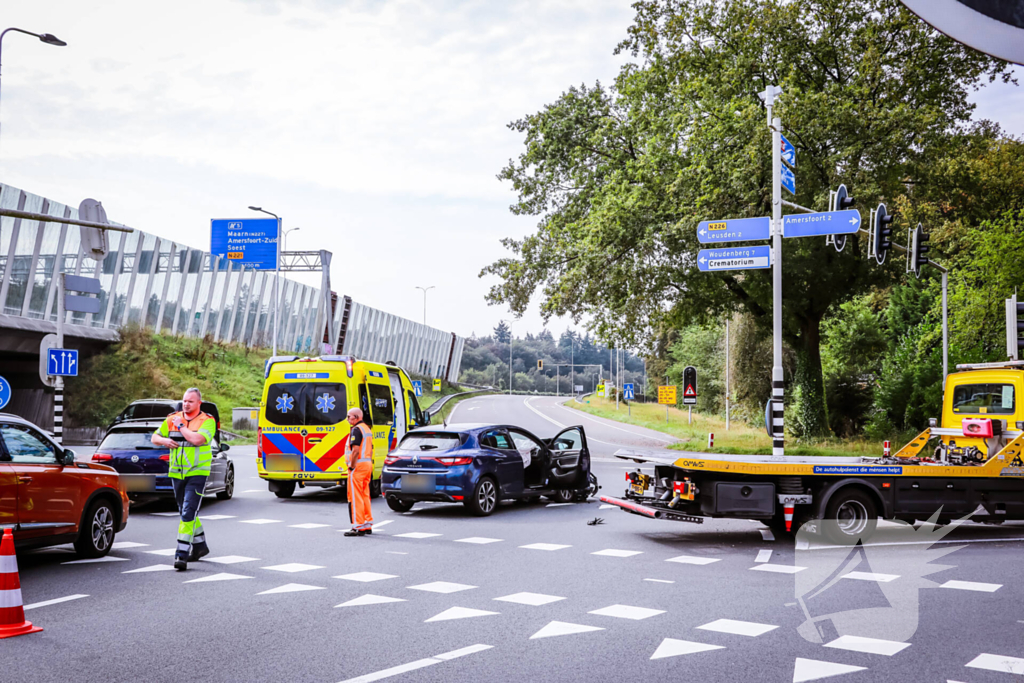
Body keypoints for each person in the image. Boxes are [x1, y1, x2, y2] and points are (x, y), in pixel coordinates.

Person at [151, 388, 216, 570]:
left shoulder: (207, 420)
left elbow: (197, 440)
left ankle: (181, 554)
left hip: (197, 472)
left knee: (187, 512)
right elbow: (154, 437)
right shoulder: (172, 418)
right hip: (177, 473)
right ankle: (200, 547)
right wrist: (164, 441)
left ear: (199, 403)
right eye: (184, 401)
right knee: (185, 512)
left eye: (190, 401)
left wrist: (181, 427)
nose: (186, 404)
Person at [344, 407, 374, 537]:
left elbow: (355, 450)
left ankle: (357, 526)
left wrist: (351, 465)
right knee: (364, 494)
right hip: (367, 465)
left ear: (356, 417)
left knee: (355, 497)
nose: (347, 419)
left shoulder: (356, 430)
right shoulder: (367, 429)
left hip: (358, 466)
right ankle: (367, 524)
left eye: (349, 416)